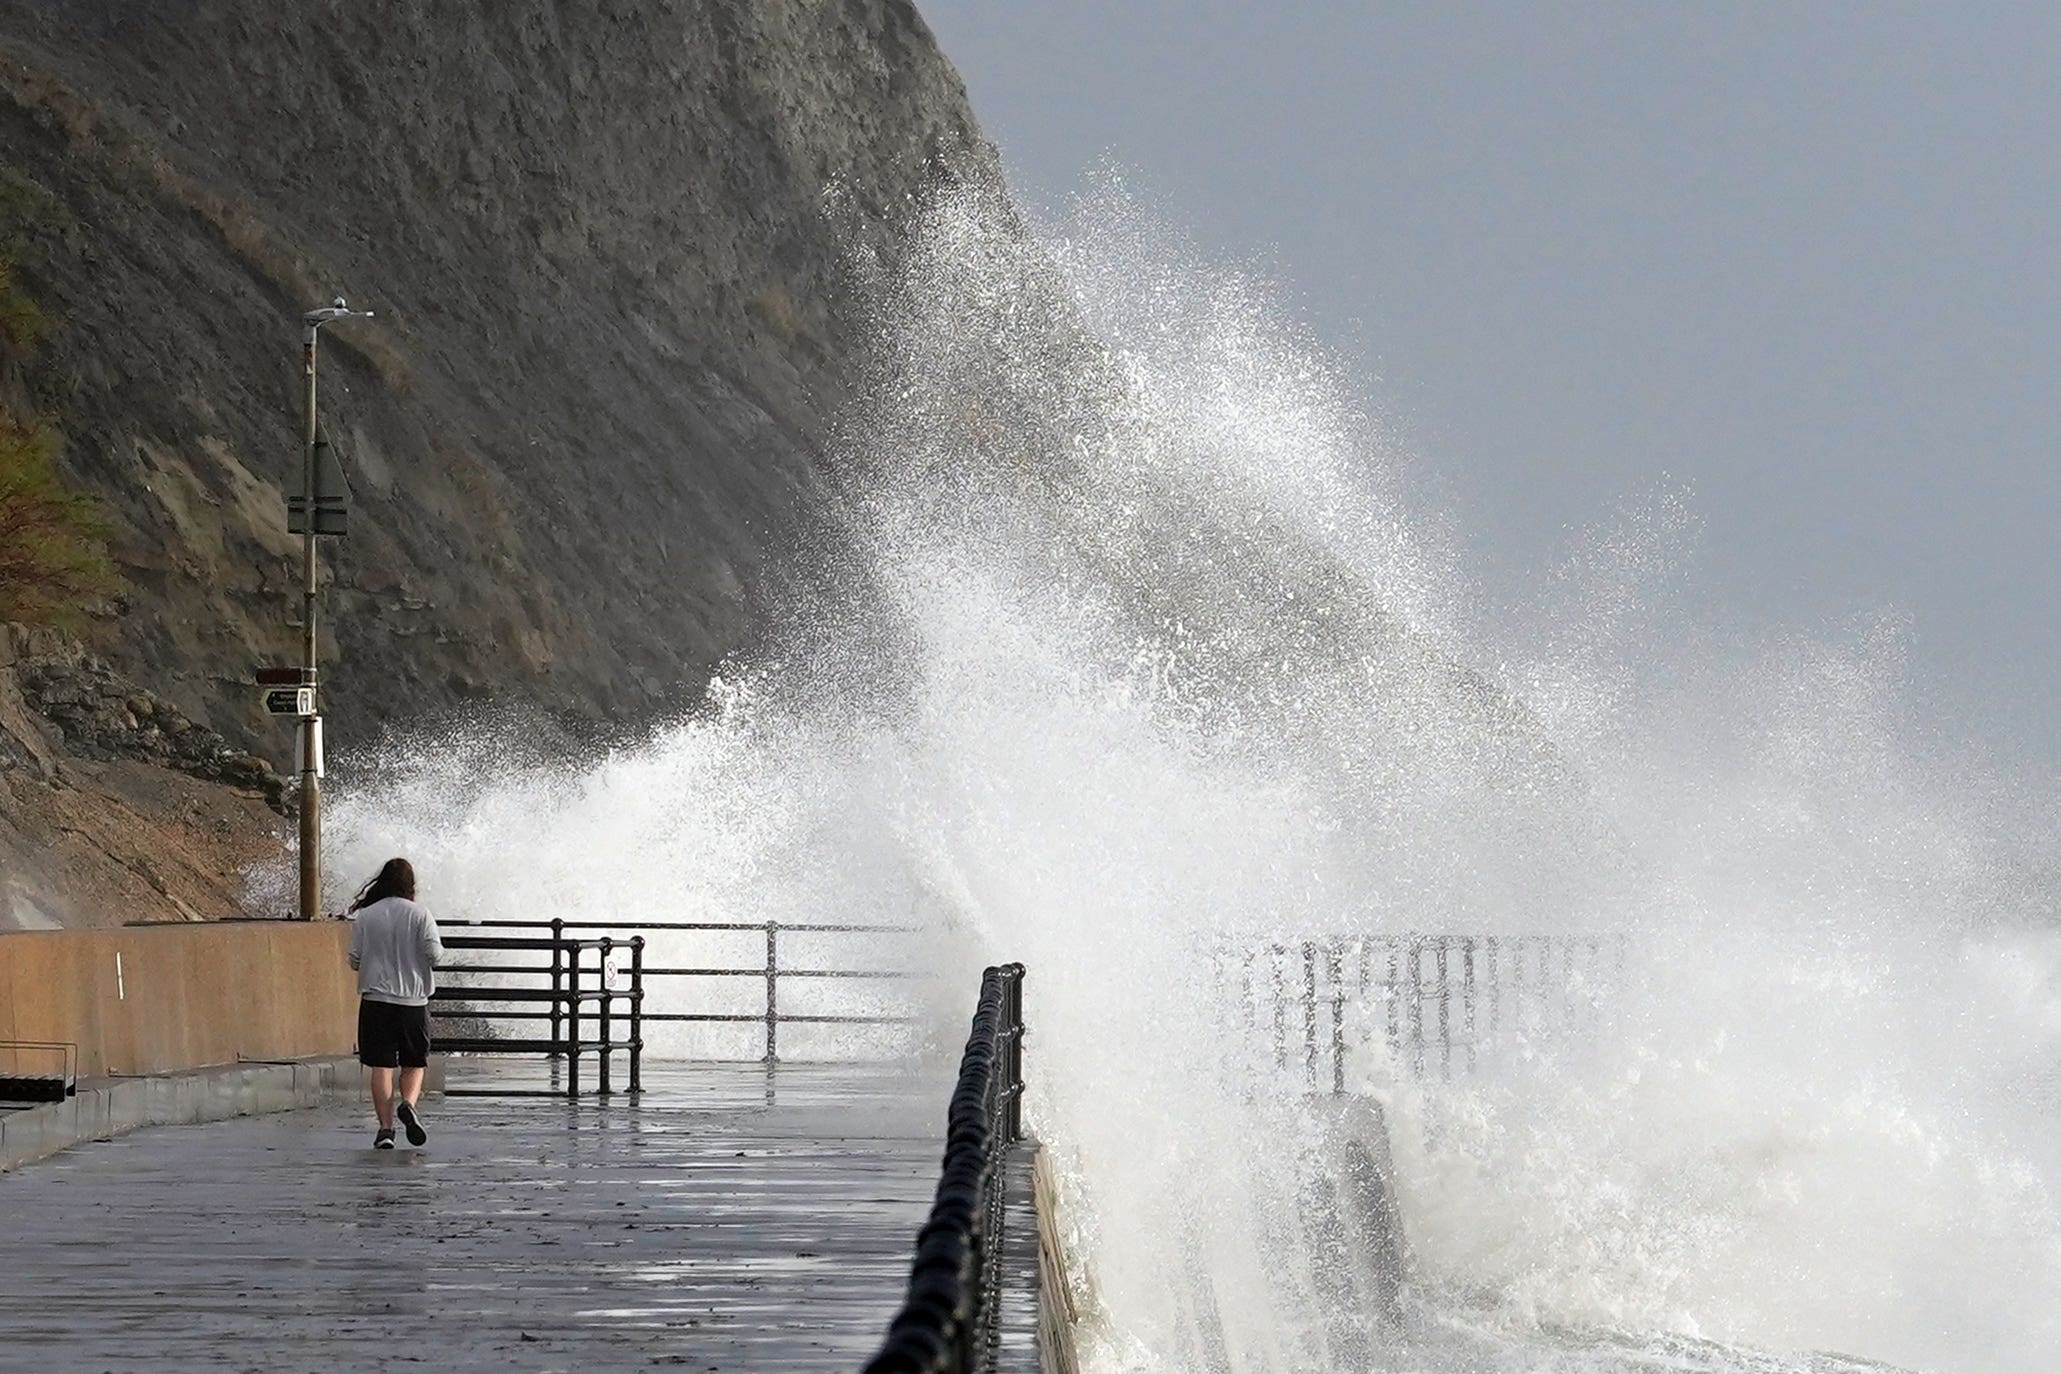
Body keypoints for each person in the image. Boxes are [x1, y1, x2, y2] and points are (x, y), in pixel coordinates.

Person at [345, 858, 444, 1149]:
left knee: (381, 1066)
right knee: (415, 1062)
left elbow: (353, 959)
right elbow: (435, 956)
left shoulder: (367, 916)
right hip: (413, 1000)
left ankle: (385, 1130)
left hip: (376, 1000)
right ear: (410, 885)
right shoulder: (420, 914)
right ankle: (409, 1105)